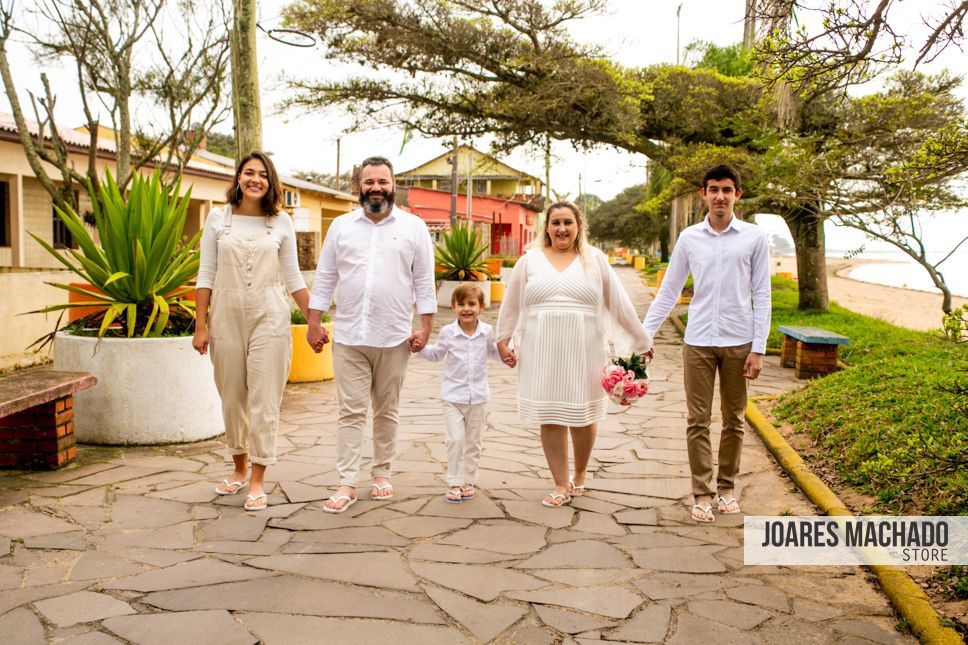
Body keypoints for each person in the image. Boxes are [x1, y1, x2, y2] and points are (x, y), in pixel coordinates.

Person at [496, 201, 652, 508]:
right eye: (555, 223)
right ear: (547, 227)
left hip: (584, 348)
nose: (562, 229)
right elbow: (511, 303)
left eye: (568, 222)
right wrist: (503, 339)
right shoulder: (530, 261)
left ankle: (580, 474)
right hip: (540, 349)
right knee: (550, 415)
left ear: (579, 226)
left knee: (582, 416)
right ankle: (559, 482)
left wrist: (640, 338)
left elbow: (619, 303)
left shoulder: (594, 260)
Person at [641, 164, 771, 523]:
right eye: (713, 189)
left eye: (727, 190)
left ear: (737, 195)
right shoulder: (689, 238)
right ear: (703, 194)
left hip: (738, 341)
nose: (720, 196)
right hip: (697, 341)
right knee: (697, 420)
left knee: (734, 420)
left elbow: (763, 294)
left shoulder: (754, 238)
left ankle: (727, 488)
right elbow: (669, 290)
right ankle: (702, 492)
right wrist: (644, 334)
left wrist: (758, 348)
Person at [306, 156, 436, 514]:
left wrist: (425, 326)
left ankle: (382, 474)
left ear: (393, 185)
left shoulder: (414, 227)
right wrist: (314, 321)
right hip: (349, 335)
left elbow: (424, 281)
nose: (375, 188)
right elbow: (325, 277)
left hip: (394, 336)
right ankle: (346, 481)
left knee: (386, 410)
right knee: (350, 412)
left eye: (382, 181)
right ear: (358, 186)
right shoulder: (341, 226)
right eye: (368, 182)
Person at [192, 151, 311, 512]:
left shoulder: (281, 223)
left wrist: (313, 321)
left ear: (271, 181)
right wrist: (201, 324)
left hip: (271, 315)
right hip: (224, 316)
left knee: (264, 399)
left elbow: (293, 277)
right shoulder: (217, 219)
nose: (255, 179)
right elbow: (206, 274)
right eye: (248, 172)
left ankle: (257, 477)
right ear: (238, 178)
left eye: (262, 174)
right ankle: (239, 468)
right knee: (232, 397)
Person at [418, 283, 515, 503]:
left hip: (478, 397)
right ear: (453, 307)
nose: (466, 309)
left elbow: (494, 353)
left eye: (471, 304)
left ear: (481, 306)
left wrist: (508, 357)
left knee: (473, 441)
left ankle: (468, 480)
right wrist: (419, 348)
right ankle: (454, 481)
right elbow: (436, 354)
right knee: (455, 440)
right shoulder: (448, 333)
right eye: (461, 304)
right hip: (452, 396)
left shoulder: (487, 332)